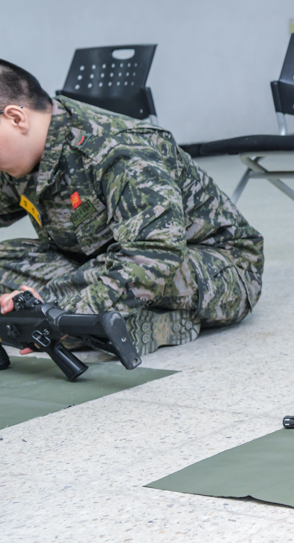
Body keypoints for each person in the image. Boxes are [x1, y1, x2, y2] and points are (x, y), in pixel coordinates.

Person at [0, 59, 264, 355]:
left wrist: (56, 313)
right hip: (96, 262)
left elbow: (154, 256)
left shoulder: (117, 148)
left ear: (16, 118)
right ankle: (107, 323)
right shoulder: (16, 159)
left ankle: (110, 325)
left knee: (124, 273)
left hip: (212, 267)